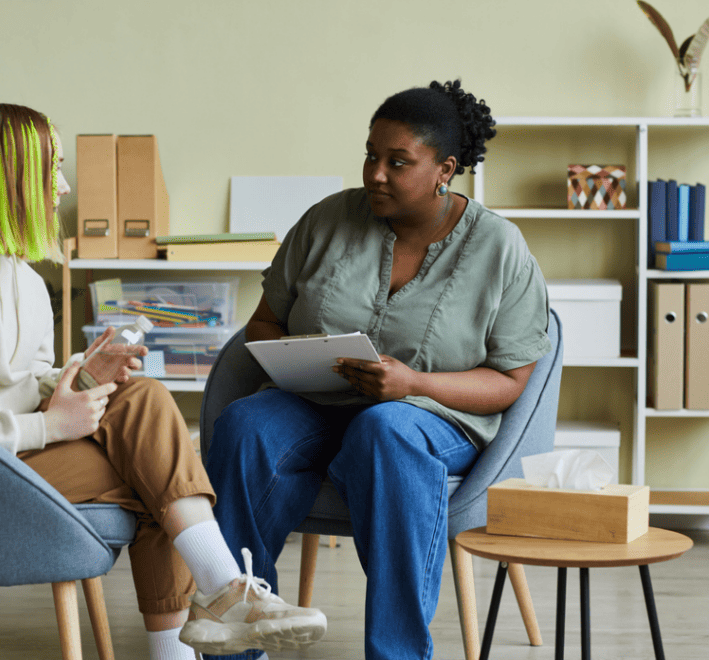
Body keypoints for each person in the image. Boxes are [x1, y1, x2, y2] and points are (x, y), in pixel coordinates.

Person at [0, 102, 325, 660]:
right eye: (52, 169)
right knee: (156, 471)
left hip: (4, 456)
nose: (64, 185)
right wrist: (50, 423)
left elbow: (14, 382)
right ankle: (223, 596)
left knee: (144, 407)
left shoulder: (16, 274)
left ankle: (221, 596)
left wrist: (71, 381)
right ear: (13, 177)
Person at [203, 80, 552, 660]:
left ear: (445, 169)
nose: (375, 174)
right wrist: (292, 362)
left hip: (434, 418)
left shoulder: (500, 248)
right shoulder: (326, 221)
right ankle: (239, 638)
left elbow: (511, 382)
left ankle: (398, 653)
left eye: (398, 162)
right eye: (370, 155)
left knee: (385, 430)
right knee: (246, 426)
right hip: (316, 403)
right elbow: (264, 324)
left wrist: (412, 384)